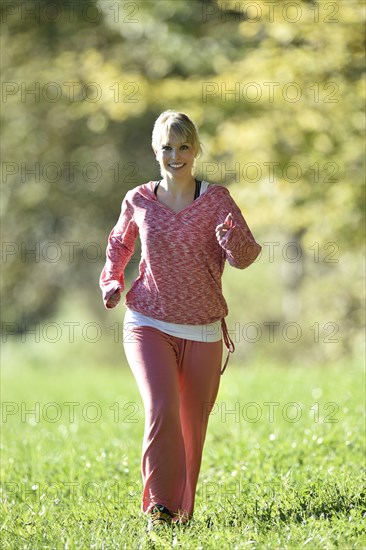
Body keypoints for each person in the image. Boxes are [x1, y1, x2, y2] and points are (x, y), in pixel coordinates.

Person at [99, 110, 261, 531]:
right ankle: (160, 512)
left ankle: (181, 515)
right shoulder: (139, 199)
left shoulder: (217, 200)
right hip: (147, 320)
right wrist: (112, 282)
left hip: (203, 327)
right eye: (167, 147)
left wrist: (231, 241)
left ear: (196, 150)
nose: (176, 155)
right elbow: (119, 244)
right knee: (161, 409)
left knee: (192, 427)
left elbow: (247, 257)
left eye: (184, 146)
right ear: (156, 151)